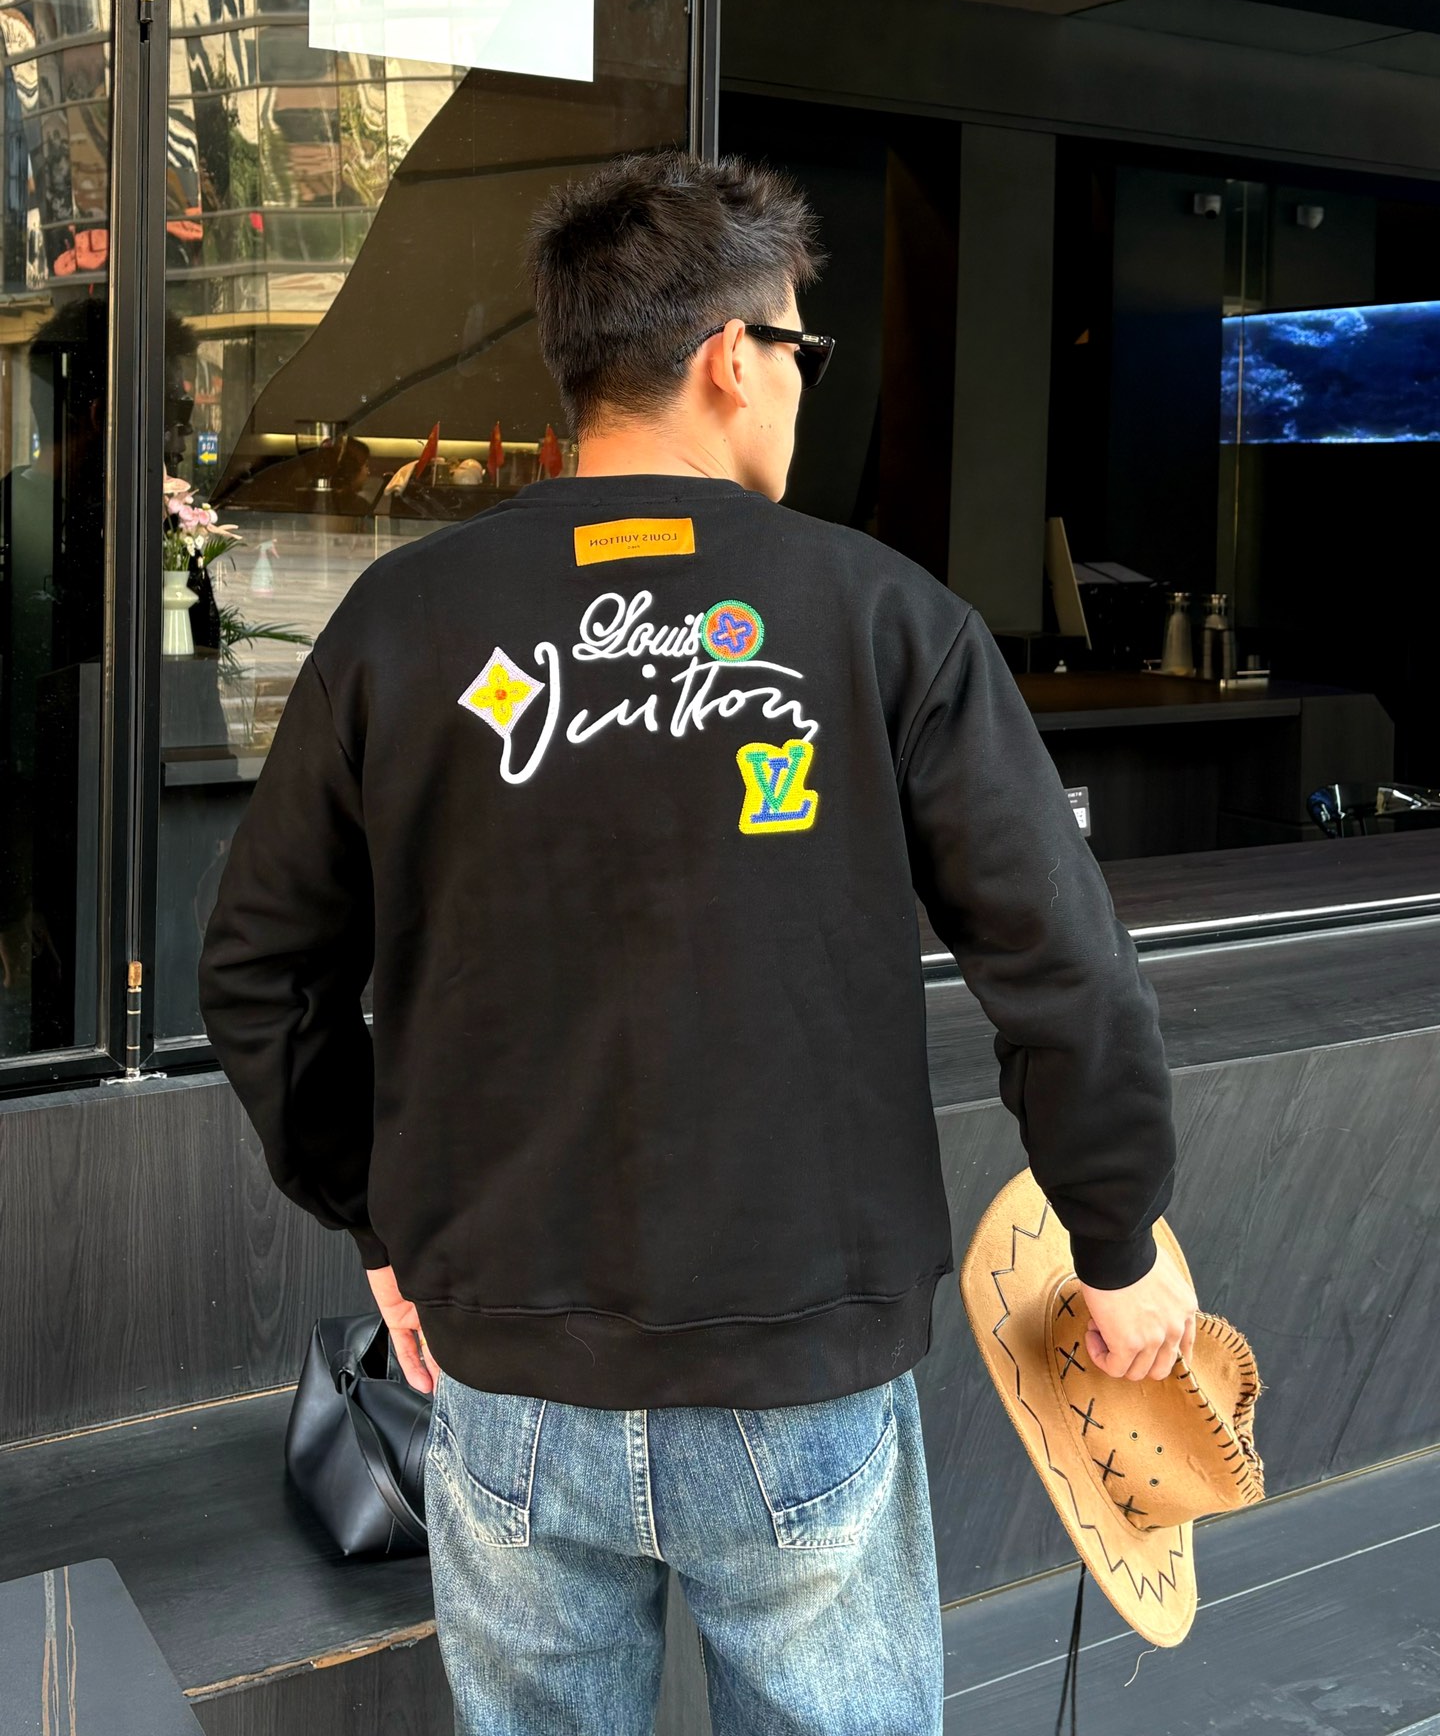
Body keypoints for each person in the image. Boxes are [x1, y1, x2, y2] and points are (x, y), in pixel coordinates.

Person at [197, 150, 1195, 1736]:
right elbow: (1064, 970)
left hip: (504, 1360)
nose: (801, 386)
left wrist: (379, 1223)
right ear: (734, 357)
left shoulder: (402, 623)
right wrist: (1116, 1241)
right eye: (802, 349)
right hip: (796, 1362)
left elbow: (259, 968)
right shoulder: (885, 620)